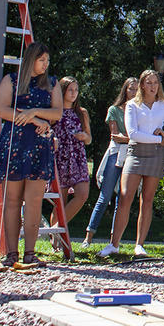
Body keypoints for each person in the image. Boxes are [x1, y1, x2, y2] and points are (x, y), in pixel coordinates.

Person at [0, 42, 64, 270]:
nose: (45, 65)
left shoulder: (51, 83)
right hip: (15, 143)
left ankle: (30, 252)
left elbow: (57, 112)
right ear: (31, 59)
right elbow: (2, 109)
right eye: (42, 60)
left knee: (34, 201)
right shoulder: (11, 80)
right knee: (11, 200)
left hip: (39, 145)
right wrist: (33, 120)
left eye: (47, 61)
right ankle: (11, 253)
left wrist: (34, 112)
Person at [108, 69, 164, 257]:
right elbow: (133, 134)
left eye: (155, 82)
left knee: (147, 201)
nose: (152, 86)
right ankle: (114, 244)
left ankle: (139, 245)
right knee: (125, 197)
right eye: (148, 82)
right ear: (141, 85)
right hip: (135, 153)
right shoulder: (132, 105)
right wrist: (158, 139)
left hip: (156, 156)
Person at [83, 76, 135, 248]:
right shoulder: (114, 110)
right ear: (125, 90)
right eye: (131, 89)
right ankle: (88, 237)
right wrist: (134, 138)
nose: (133, 92)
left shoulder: (139, 111)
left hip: (132, 155)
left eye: (136, 89)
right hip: (116, 153)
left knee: (123, 198)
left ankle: (115, 241)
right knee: (104, 197)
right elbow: (115, 136)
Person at [52, 76, 92, 227]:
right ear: (62, 91)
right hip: (60, 157)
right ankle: (56, 241)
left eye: (76, 90)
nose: (73, 93)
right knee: (60, 201)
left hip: (78, 158)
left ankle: (57, 228)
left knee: (82, 195)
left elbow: (89, 139)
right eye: (70, 90)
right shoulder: (55, 111)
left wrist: (84, 137)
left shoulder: (82, 113)